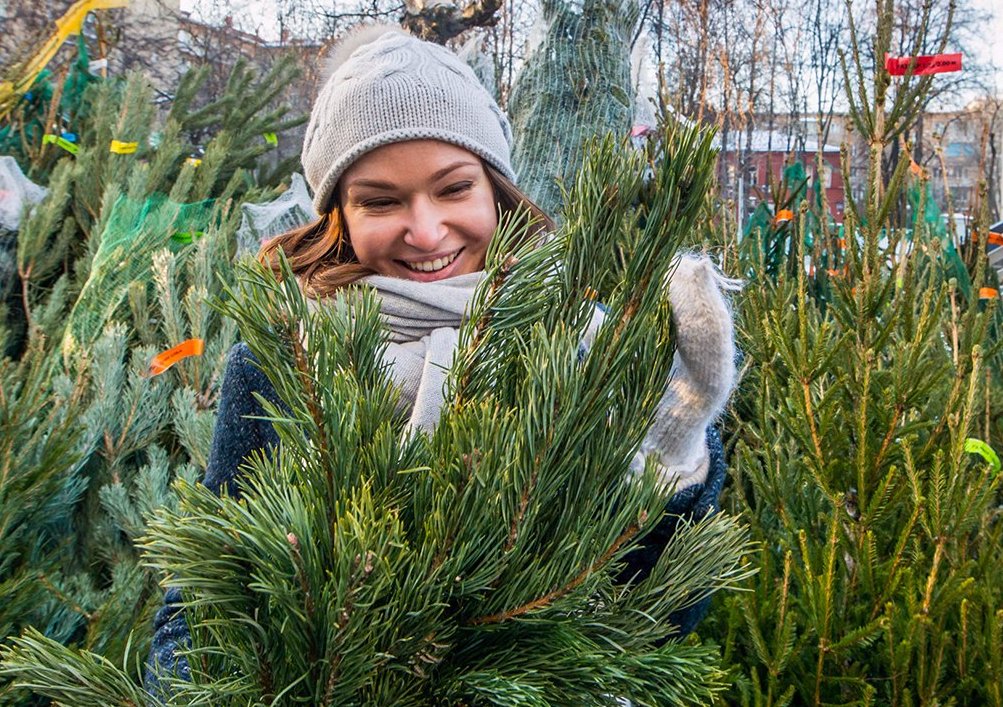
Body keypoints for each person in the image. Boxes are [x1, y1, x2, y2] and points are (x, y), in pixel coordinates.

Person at [144, 24, 737, 696]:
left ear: (496, 191)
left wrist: (670, 458)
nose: (425, 231)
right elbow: (196, 610)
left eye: (453, 188)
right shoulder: (285, 359)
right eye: (381, 199)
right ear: (337, 211)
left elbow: (659, 624)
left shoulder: (582, 349)